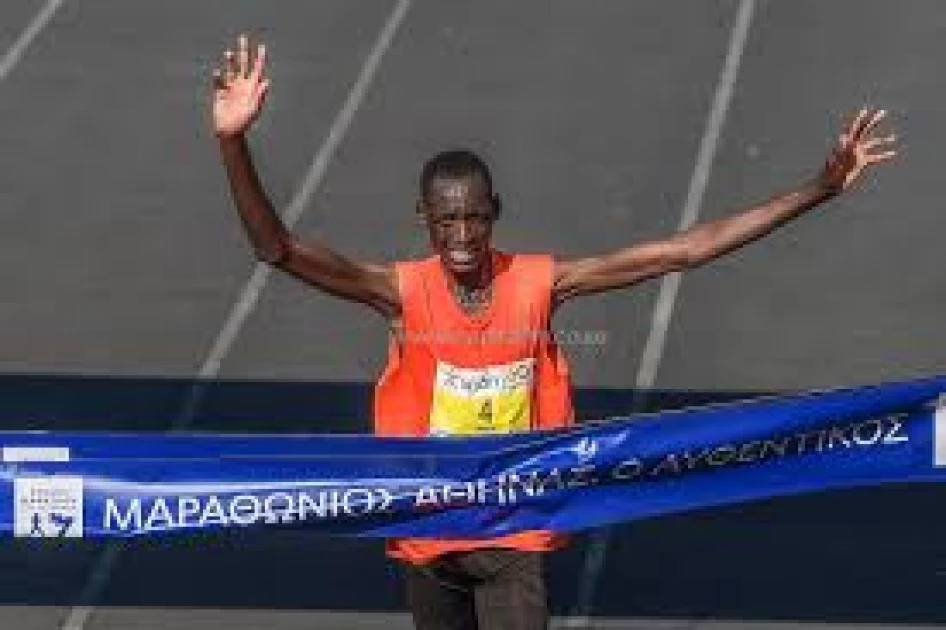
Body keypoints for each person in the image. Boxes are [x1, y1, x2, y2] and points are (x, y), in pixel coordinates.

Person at [210, 34, 897, 630]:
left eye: (474, 218)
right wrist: (232, 140)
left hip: (514, 529)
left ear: (494, 213)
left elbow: (682, 250)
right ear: (423, 217)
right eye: (446, 220)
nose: (461, 237)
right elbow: (279, 249)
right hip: (428, 528)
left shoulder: (540, 282)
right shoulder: (401, 292)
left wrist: (819, 188)